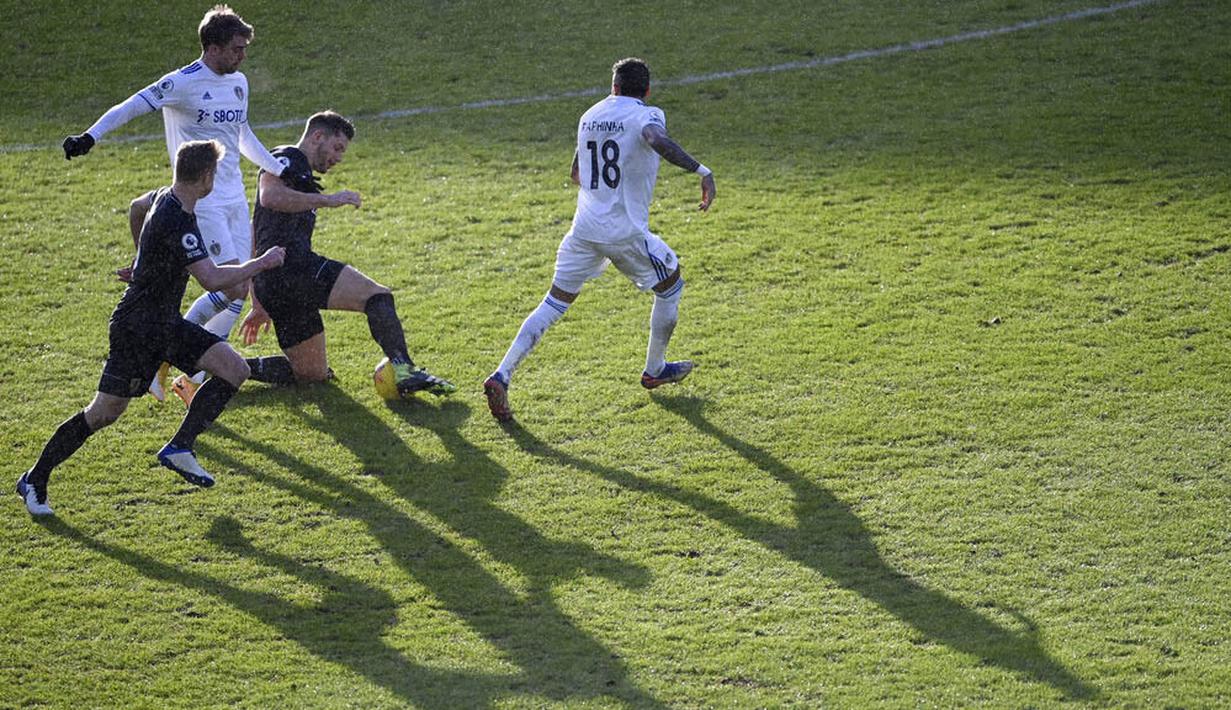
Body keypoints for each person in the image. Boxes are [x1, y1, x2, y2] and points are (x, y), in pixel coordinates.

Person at [15, 140, 286, 516]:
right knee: (104, 412)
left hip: (163, 322)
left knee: (234, 368)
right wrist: (261, 263)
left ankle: (180, 447)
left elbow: (136, 207)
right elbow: (210, 279)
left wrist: (140, 258)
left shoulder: (164, 196)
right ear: (205, 176)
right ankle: (34, 478)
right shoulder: (179, 223)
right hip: (137, 327)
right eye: (216, 173)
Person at [61, 4, 286, 405]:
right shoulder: (182, 83)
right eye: (236, 49)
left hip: (235, 198)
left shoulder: (239, 82)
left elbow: (241, 133)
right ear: (213, 48)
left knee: (238, 291)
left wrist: (276, 167)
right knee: (233, 284)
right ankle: (176, 357)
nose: (243, 56)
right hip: (204, 201)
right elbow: (131, 105)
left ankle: (187, 370)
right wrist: (90, 137)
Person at [483, 57, 716, 422]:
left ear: (614, 87)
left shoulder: (589, 116)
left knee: (553, 302)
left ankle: (501, 374)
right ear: (647, 90)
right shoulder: (647, 115)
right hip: (624, 233)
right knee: (671, 285)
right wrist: (702, 171)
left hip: (584, 230)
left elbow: (576, 173)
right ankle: (655, 369)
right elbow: (655, 139)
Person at [237, 111, 456, 397]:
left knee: (312, 374)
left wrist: (257, 296)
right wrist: (329, 200)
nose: (339, 158)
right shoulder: (288, 158)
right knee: (377, 296)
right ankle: (404, 370)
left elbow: (256, 227)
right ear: (318, 136)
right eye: (337, 148)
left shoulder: (300, 174)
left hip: (275, 283)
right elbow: (270, 196)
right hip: (293, 268)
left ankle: (224, 367)